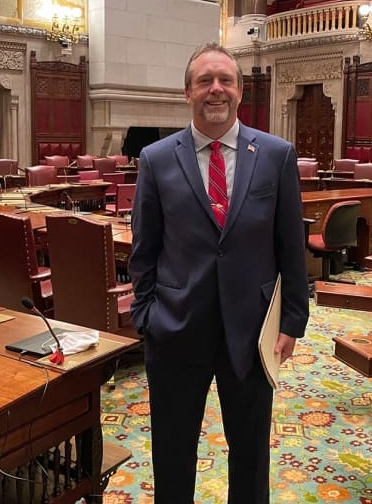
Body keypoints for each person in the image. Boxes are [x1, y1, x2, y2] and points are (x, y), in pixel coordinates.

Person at [128, 42, 309, 504]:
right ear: (186, 92)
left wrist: (291, 322)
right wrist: (146, 316)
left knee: (249, 454)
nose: (216, 90)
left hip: (251, 331)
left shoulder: (276, 155)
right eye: (205, 81)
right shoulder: (156, 158)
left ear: (240, 91)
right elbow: (144, 249)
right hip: (174, 328)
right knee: (172, 450)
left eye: (225, 80)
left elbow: (291, 245)